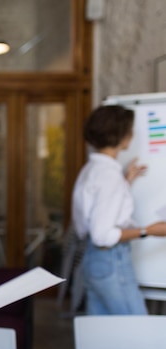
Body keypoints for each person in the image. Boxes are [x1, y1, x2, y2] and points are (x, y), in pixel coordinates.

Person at [71, 104, 166, 315]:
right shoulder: (108, 177)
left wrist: (126, 182)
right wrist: (147, 231)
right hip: (110, 261)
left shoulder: (92, 170)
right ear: (121, 135)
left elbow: (98, 210)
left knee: (103, 336)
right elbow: (102, 235)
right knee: (138, 334)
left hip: (94, 261)